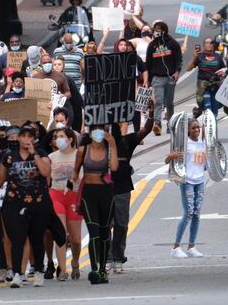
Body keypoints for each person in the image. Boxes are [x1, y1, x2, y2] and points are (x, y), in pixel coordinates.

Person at [0, 126, 54, 288]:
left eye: (29, 136)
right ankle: (18, 273)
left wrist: (34, 154)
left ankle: (39, 270)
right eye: (23, 136)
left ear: (33, 139)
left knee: (36, 238)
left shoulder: (40, 154)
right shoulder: (9, 157)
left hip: (37, 203)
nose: (26, 139)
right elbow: (0, 178)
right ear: (18, 138)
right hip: (15, 202)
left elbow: (46, 172)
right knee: (17, 238)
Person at [108, 100, 154, 273]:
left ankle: (118, 257)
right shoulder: (99, 143)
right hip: (104, 190)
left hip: (123, 189)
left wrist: (151, 113)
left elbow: (146, 130)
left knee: (121, 224)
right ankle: (107, 258)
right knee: (106, 225)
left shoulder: (127, 142)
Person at [72, 126, 118, 284]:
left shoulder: (108, 148)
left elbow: (114, 167)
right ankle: (94, 269)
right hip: (88, 194)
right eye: (95, 130)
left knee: (105, 234)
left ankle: (103, 269)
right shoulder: (83, 150)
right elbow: (75, 173)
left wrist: (112, 144)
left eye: (102, 130)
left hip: (105, 194)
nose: (99, 134)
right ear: (90, 133)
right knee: (94, 232)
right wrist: (70, 184)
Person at [165, 119, 207, 258]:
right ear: (188, 130)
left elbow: (206, 163)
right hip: (187, 182)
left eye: (198, 128)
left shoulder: (203, 143)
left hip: (200, 181)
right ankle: (175, 247)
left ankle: (191, 246)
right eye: (194, 128)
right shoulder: (183, 144)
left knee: (196, 214)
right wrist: (172, 156)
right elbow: (167, 159)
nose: (196, 130)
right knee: (188, 213)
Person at [48, 128, 81, 281]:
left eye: (61, 136)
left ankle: (75, 262)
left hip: (73, 197)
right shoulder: (51, 157)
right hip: (56, 196)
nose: (58, 139)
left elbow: (83, 176)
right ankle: (62, 269)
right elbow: (46, 179)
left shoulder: (78, 155)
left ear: (70, 139)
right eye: (56, 137)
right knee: (60, 233)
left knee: (75, 239)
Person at [145, 20, 182, 136]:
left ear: (164, 31)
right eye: (154, 30)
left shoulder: (173, 43)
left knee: (169, 103)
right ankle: (157, 124)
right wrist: (149, 80)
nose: (156, 32)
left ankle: (171, 124)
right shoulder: (152, 45)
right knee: (158, 101)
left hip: (170, 77)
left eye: (158, 30)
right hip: (157, 78)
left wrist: (177, 72)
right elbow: (148, 63)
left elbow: (179, 59)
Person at [186, 36, 226, 118]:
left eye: (211, 43)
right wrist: (194, 57)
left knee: (214, 112)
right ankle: (203, 116)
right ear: (203, 45)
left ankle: (213, 129)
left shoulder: (218, 57)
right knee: (208, 109)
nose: (209, 44)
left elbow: (224, 69)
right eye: (206, 43)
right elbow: (188, 68)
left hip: (215, 86)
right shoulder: (200, 56)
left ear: (213, 45)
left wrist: (223, 73)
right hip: (204, 88)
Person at [52, 57, 83, 132]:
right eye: (55, 64)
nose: (57, 66)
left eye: (59, 64)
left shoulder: (68, 79)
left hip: (66, 109)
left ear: (63, 66)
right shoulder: (48, 79)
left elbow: (77, 97)